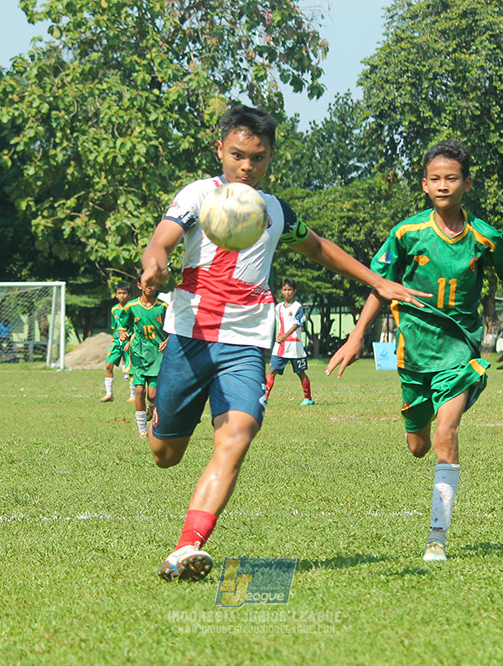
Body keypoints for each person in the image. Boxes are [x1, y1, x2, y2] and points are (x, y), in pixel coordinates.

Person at [140, 105, 425, 582]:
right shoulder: (199, 195)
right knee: (165, 454)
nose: (246, 167)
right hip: (189, 339)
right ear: (220, 150)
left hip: (247, 343)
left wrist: (379, 282)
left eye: (257, 158)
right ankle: (159, 417)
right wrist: (155, 262)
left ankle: (187, 547)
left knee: (238, 435)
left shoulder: (273, 210)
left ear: (271, 157)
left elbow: (319, 248)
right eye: (236, 155)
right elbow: (161, 239)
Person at [326, 140, 503, 563]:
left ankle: (436, 537)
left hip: (461, 352)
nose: (443, 185)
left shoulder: (486, 238)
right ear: (423, 184)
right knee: (418, 444)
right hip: (415, 354)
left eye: (451, 178)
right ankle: (421, 422)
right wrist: (356, 335)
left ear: (467, 183)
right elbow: (379, 286)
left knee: (445, 433)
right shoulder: (407, 234)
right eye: (435, 179)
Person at [118, 277, 169, 438]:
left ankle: (150, 408)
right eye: (147, 283)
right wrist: (123, 334)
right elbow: (122, 325)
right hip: (138, 354)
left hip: (157, 355)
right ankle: (142, 430)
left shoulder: (163, 307)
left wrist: (167, 340)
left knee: (152, 395)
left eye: (153, 284)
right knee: (139, 390)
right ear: (139, 285)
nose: (150, 287)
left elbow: (173, 329)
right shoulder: (132, 306)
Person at [266, 278, 313, 405]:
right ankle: (264, 398)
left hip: (295, 346)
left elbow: (298, 323)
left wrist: (285, 335)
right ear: (281, 291)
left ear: (294, 291)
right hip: (280, 346)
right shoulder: (278, 308)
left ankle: (308, 398)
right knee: (272, 371)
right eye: (285, 290)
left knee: (301, 373)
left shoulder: (298, 307)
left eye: (290, 290)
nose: (287, 293)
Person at [100, 282, 134, 403]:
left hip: (130, 341)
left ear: (129, 294)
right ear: (115, 295)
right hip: (116, 341)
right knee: (108, 365)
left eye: (124, 293)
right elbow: (115, 328)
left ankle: (133, 395)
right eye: (119, 293)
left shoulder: (132, 307)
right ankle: (109, 394)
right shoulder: (114, 309)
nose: (122, 296)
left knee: (131, 369)